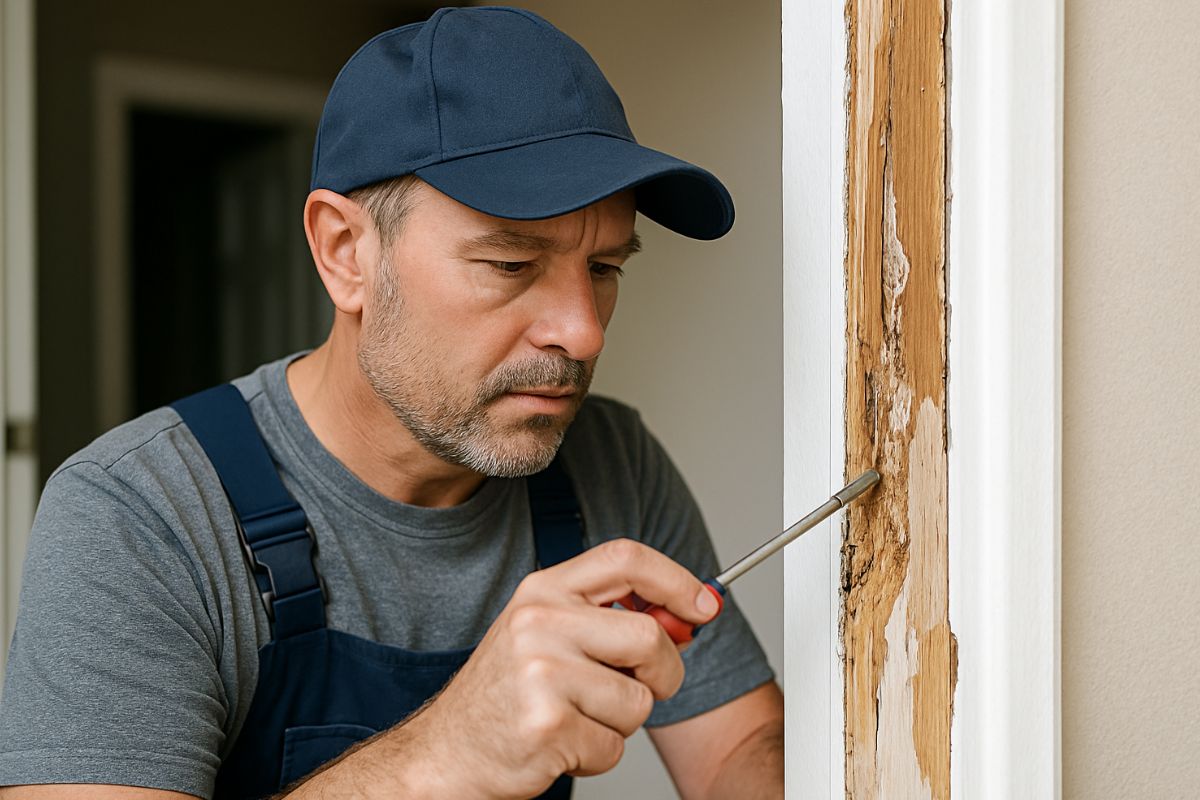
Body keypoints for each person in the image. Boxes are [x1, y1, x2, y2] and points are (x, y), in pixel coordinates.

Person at [0, 7, 783, 799]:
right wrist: (444, 755)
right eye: (511, 264)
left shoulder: (611, 467)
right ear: (346, 254)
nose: (583, 334)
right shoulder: (140, 513)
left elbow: (738, 747)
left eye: (606, 267)